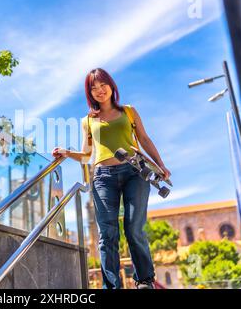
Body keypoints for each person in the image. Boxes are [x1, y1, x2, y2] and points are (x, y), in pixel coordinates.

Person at [52, 68, 171, 289]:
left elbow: (144, 139)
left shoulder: (129, 111)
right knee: (107, 234)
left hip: (135, 172)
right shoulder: (88, 120)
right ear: (90, 93)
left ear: (111, 85)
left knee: (134, 227)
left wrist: (160, 165)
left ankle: (144, 281)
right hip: (103, 178)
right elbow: (87, 154)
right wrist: (67, 153)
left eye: (102, 85)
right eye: (93, 88)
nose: (99, 90)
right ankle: (111, 286)